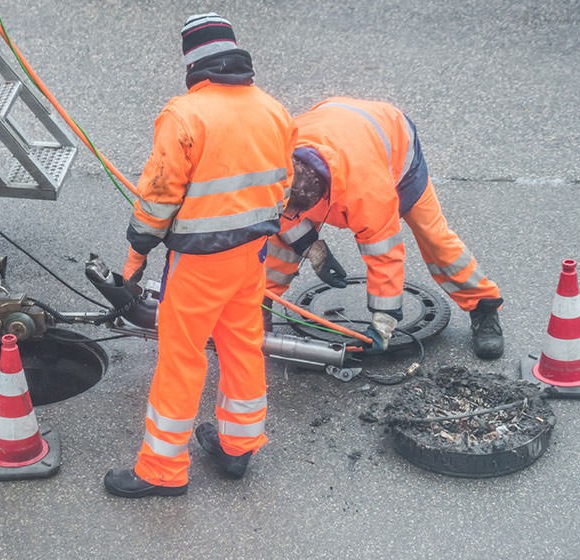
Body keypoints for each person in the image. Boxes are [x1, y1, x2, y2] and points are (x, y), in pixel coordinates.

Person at [104, 13, 297, 498]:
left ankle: (161, 471)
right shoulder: (274, 110)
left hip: (198, 265)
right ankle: (238, 446)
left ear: (192, 62)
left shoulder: (185, 116)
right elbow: (284, 187)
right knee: (242, 346)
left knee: (181, 357)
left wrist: (135, 257)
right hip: (251, 255)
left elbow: (159, 196)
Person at [264, 97, 504, 360]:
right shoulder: (277, 160)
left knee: (434, 238)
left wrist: (384, 320)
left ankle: (484, 306)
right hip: (338, 126)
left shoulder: (370, 194)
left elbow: (385, 255)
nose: (295, 216)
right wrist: (310, 244)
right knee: (280, 243)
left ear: (325, 198)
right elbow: (276, 211)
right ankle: (259, 306)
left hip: (396, 146)